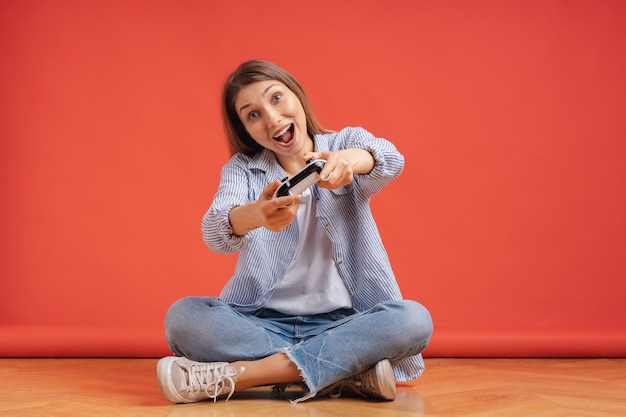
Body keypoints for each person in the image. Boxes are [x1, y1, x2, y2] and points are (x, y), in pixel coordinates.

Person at [156, 59, 433, 404]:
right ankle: (345, 370)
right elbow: (215, 230)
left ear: (297, 96)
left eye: (276, 98)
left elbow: (391, 159)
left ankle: (241, 377)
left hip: (345, 322)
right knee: (183, 318)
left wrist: (350, 161)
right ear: (245, 130)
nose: (272, 118)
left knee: (412, 320)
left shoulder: (344, 142)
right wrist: (256, 214)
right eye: (252, 115)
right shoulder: (243, 170)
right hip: (260, 323)